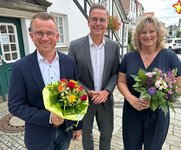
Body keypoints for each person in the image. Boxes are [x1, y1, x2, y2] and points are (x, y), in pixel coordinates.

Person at [8, 12, 82, 150]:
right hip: (38, 137)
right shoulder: (20, 67)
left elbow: (77, 97)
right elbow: (15, 106)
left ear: (57, 36)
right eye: (39, 33)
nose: (45, 38)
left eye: (50, 33)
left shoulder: (69, 63)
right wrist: (48, 117)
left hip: (65, 133)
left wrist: (78, 126)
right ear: (31, 36)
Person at [117, 15, 181, 150]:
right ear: (137, 35)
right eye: (143, 32)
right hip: (132, 112)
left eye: (151, 31)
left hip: (158, 114)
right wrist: (131, 99)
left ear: (158, 34)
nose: (147, 35)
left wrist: (159, 100)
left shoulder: (169, 56)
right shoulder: (129, 57)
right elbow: (121, 81)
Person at [68, 3, 120, 150]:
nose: (98, 23)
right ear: (88, 21)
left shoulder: (114, 46)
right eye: (94, 19)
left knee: (107, 134)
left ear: (107, 22)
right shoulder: (75, 45)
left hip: (105, 100)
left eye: (102, 20)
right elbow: (71, 76)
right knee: (86, 135)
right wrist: (87, 92)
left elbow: (115, 73)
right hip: (84, 101)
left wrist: (106, 91)